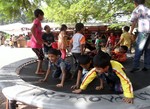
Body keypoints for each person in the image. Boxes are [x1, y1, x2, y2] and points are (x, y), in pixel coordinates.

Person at [130, 0, 150, 72]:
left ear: (135, 3)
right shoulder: (148, 9)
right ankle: (147, 66)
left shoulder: (137, 10)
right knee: (148, 50)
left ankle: (136, 66)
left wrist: (130, 32)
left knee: (138, 49)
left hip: (143, 31)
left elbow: (134, 22)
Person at [30, 9, 45, 75]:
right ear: (39, 15)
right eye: (42, 16)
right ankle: (38, 71)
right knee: (40, 57)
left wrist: (41, 41)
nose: (43, 17)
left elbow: (38, 33)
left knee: (41, 56)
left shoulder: (38, 22)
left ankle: (40, 69)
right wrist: (36, 39)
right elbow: (32, 29)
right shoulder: (37, 21)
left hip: (38, 44)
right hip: (35, 44)